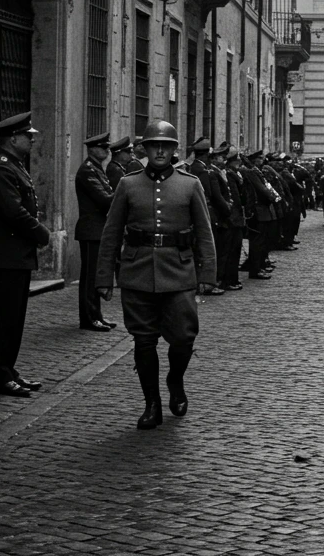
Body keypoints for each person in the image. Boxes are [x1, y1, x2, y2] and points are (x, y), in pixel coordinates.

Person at [96, 120, 217, 430]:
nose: (160, 150)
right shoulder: (128, 184)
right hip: (137, 273)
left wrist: (208, 272)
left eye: (166, 145)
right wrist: (103, 277)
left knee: (183, 338)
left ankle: (175, 380)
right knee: (144, 341)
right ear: (145, 150)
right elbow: (111, 233)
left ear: (174, 150)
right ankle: (152, 404)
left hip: (179, 273)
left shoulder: (190, 184)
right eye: (154, 145)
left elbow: (204, 232)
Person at [0, 112, 51, 398]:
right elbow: (14, 212)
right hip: (7, 254)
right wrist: (41, 232)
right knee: (5, 319)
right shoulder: (1, 169)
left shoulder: (14, 166)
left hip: (17, 254)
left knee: (15, 318)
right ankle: (0, 375)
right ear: (13, 139)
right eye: (28, 135)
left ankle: (8, 370)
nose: (32, 139)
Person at [74, 132, 116, 331]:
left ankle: (96, 315)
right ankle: (89, 318)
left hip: (98, 230)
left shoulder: (98, 168)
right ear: (92, 150)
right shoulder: (87, 170)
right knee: (90, 277)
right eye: (103, 147)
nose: (107, 150)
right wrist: (122, 191)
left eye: (107, 147)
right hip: (91, 230)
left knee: (96, 275)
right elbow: (104, 199)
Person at [186, 138, 227, 296]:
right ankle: (204, 283)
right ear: (205, 156)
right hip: (205, 212)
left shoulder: (192, 167)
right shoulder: (202, 171)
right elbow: (208, 194)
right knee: (207, 249)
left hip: (195, 214)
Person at [242, 151, 277, 279]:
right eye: (260, 158)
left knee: (261, 241)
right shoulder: (251, 172)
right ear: (254, 160)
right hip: (258, 210)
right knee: (257, 242)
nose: (262, 160)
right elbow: (262, 189)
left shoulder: (256, 171)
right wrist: (273, 197)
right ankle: (255, 270)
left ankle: (260, 266)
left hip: (263, 210)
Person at [219, 146, 247, 291]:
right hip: (232, 219)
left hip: (235, 218)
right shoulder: (230, 174)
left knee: (234, 251)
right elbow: (235, 199)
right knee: (230, 251)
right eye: (238, 158)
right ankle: (228, 280)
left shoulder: (234, 173)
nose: (240, 161)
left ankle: (231, 279)